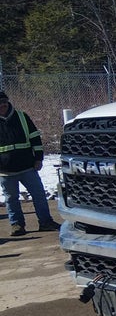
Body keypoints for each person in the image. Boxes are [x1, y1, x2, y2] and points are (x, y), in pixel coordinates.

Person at [0, 90, 61, 236]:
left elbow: (35, 138)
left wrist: (39, 158)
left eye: (4, 102)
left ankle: (45, 222)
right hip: (5, 171)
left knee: (39, 195)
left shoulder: (22, 117)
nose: (2, 105)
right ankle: (17, 225)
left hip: (27, 166)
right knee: (11, 199)